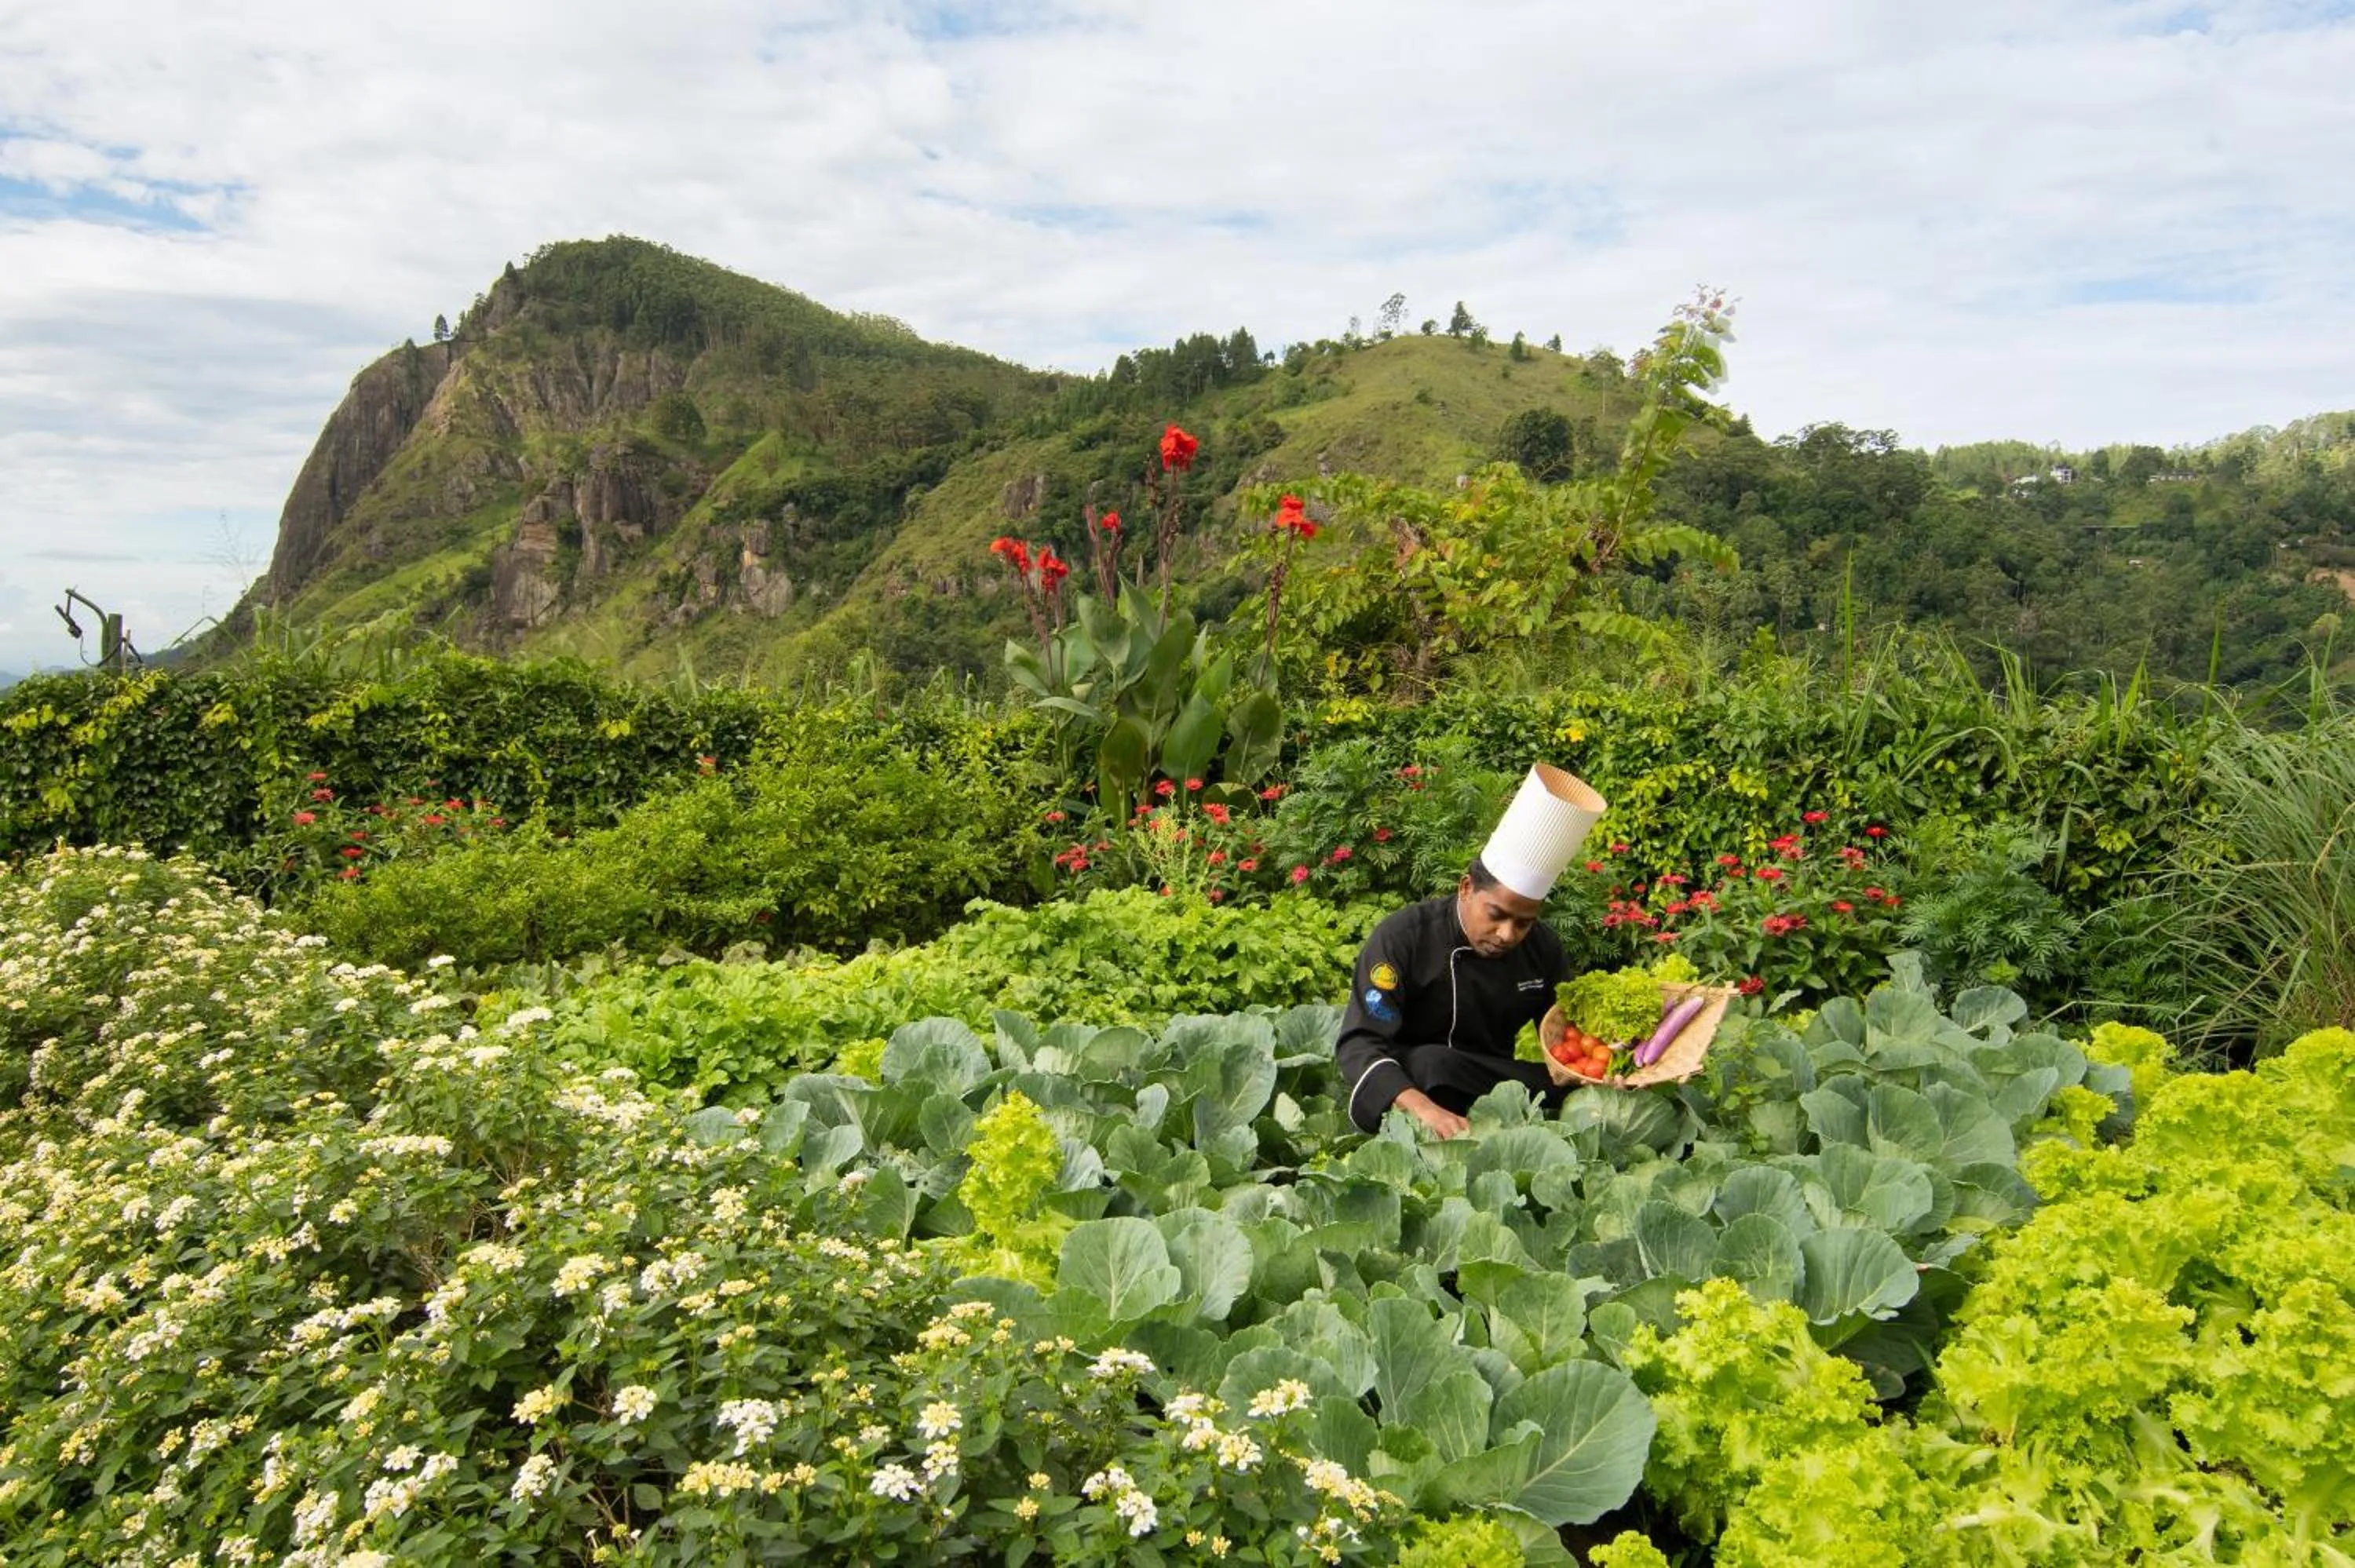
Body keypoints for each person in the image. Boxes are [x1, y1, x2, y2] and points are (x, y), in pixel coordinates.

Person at [1334, 764, 1605, 1138]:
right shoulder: (1404, 936)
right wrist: (1425, 1110)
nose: (1508, 933)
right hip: (1413, 1085)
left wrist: (1601, 1066)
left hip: (1490, 1079)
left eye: (1524, 922)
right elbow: (1358, 1043)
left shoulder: (1542, 947)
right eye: (1496, 915)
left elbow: (1567, 1040)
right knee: (1431, 1063)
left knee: (1568, 1086)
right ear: (1465, 889)